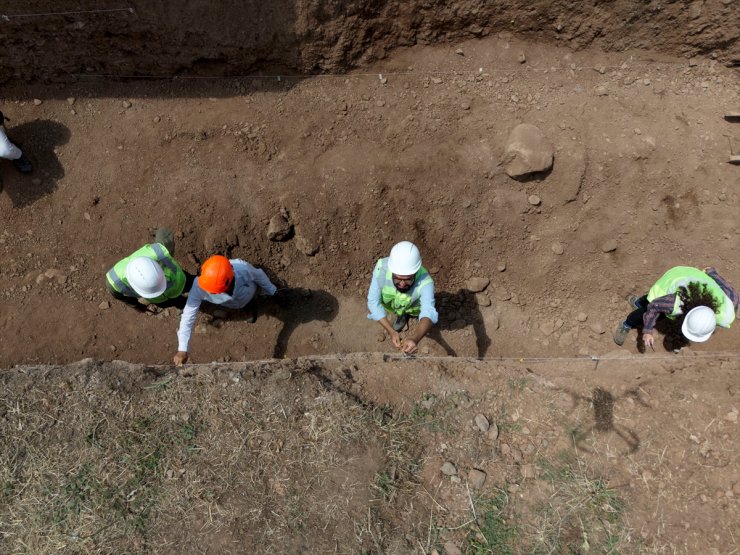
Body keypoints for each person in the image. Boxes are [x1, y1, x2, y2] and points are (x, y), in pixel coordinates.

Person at [173, 255, 278, 365]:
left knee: (249, 298)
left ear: (230, 280)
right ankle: (246, 308)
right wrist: (182, 349)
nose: (212, 293)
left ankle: (250, 304)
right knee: (240, 304)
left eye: (216, 291)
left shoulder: (242, 269)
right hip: (232, 304)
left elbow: (260, 276)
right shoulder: (200, 285)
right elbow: (188, 316)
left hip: (249, 292)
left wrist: (273, 291)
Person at [613, 266, 738, 348]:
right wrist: (647, 331)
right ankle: (627, 324)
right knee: (649, 305)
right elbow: (655, 306)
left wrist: (712, 273)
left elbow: (732, 293)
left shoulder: (727, 312)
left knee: (658, 305)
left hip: (700, 281)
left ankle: (640, 303)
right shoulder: (674, 303)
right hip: (679, 276)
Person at [367, 241, 438, 354]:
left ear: (415, 272)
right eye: (398, 278)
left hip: (413, 307)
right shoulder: (381, 269)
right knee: (398, 311)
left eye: (408, 279)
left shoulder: (426, 282)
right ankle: (401, 315)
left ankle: (407, 314)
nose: (402, 284)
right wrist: (391, 331)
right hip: (394, 305)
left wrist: (415, 339)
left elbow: (428, 311)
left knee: (416, 312)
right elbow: (373, 302)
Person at [106, 228, 194, 310]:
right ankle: (186, 305)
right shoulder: (115, 281)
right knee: (179, 303)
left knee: (193, 284)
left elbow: (163, 232)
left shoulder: (159, 251)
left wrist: (155, 231)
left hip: (180, 282)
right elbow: (120, 296)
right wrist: (136, 306)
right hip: (161, 300)